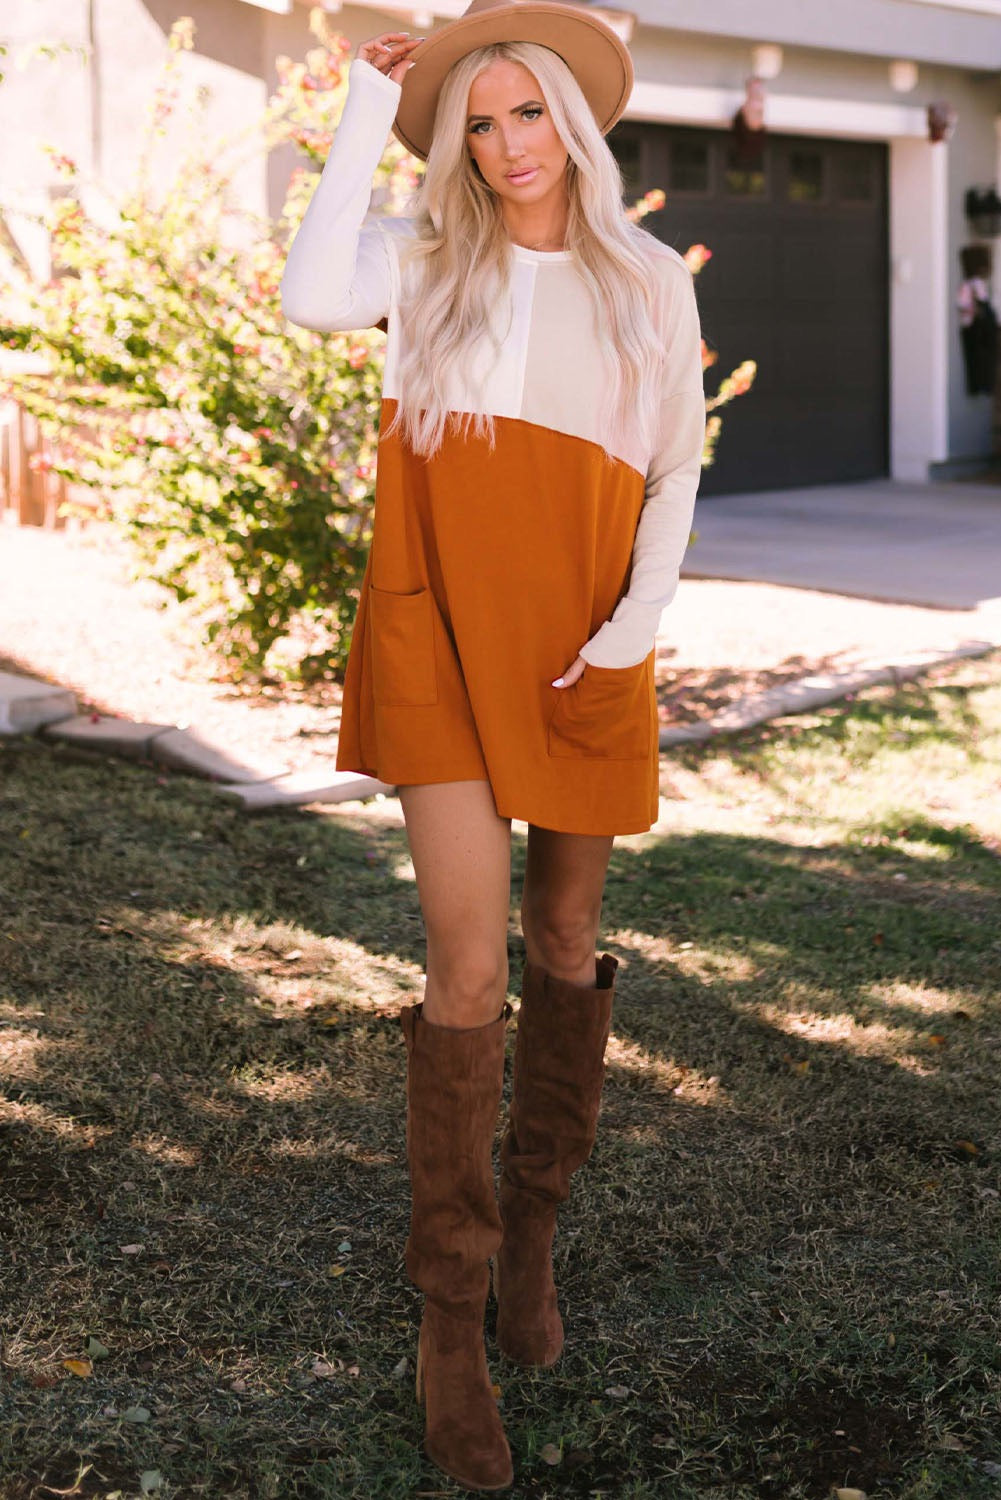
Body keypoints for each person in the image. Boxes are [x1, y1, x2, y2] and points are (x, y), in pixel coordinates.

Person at [279, 0, 706, 1488]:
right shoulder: (427, 263)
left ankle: (530, 1240)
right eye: (476, 120)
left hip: (587, 637)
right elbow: (306, 295)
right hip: (440, 631)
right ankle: (448, 1319)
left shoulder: (647, 280)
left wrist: (630, 632)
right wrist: (358, 113)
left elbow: (671, 468)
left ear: (571, 124)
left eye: (526, 112)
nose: (506, 145)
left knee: (565, 935)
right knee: (461, 974)